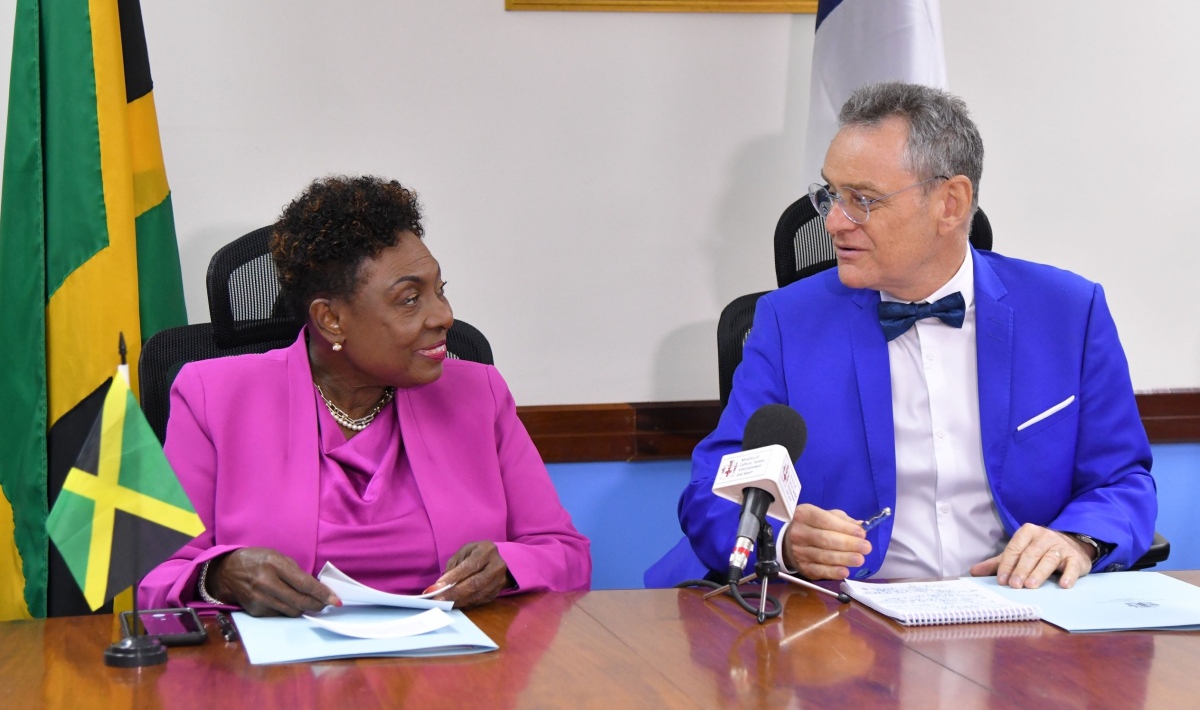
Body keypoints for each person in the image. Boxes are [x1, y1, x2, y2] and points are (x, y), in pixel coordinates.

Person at [653, 82, 1155, 591]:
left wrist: (1078, 539)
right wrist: (783, 541)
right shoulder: (787, 321)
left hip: (1017, 614)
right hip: (845, 619)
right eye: (831, 194)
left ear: (950, 203)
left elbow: (1122, 480)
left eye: (863, 200)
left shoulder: (1068, 312)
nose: (832, 222)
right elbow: (714, 489)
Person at [141, 175, 591, 615]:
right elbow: (155, 579)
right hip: (281, 678)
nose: (444, 316)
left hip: (451, 671)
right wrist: (218, 575)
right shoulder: (211, 397)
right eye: (410, 299)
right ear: (331, 319)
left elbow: (566, 554)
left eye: (440, 290)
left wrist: (510, 566)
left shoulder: (479, 393)